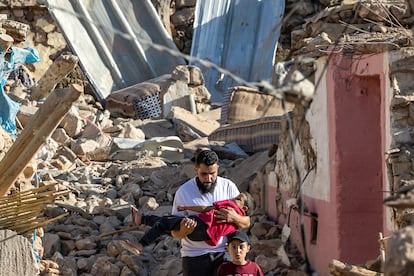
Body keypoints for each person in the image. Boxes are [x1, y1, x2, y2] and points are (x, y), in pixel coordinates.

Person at [171, 149, 251, 276]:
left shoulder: (229, 187)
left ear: (218, 169)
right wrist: (183, 231)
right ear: (196, 170)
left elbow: (246, 223)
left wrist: (234, 218)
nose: (208, 178)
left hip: (225, 255)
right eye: (204, 174)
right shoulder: (183, 192)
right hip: (194, 257)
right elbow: (174, 233)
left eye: (212, 174)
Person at [120, 192, 252, 255]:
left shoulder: (231, 208)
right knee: (166, 223)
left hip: (201, 226)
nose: (234, 198)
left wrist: (187, 208)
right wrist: (186, 208)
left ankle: (141, 243)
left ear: (244, 209)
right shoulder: (237, 223)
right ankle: (142, 219)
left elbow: (206, 208)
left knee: (166, 222)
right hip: (203, 235)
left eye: (238, 198)